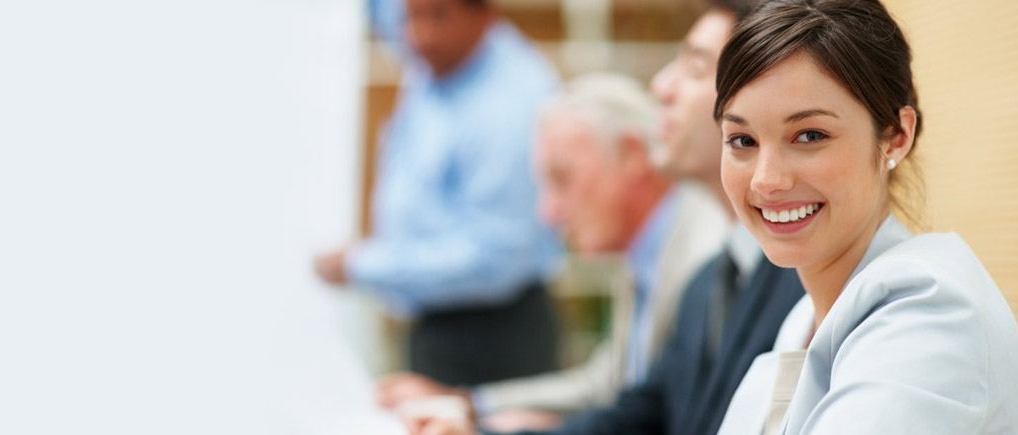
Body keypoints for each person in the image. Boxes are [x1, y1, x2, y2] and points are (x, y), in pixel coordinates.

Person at [402, 1, 807, 434]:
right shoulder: (712, 272)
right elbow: (640, 405)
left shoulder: (741, 262)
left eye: (694, 69)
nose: (661, 87)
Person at [710, 0, 1018, 433]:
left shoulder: (930, 313)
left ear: (897, 136)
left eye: (810, 135)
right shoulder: (804, 319)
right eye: (742, 140)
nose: (766, 180)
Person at [378, 73, 730, 433]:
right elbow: (605, 386)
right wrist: (468, 404)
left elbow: (651, 415)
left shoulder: (703, 258)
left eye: (562, 178)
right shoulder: (650, 252)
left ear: (630, 153)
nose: (547, 212)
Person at [314, 0, 560, 386]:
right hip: (438, 318)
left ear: (485, 15)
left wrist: (363, 265)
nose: (419, 35)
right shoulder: (437, 48)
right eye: (409, 17)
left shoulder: (510, 108)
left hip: (489, 334)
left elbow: (494, 257)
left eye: (438, 17)